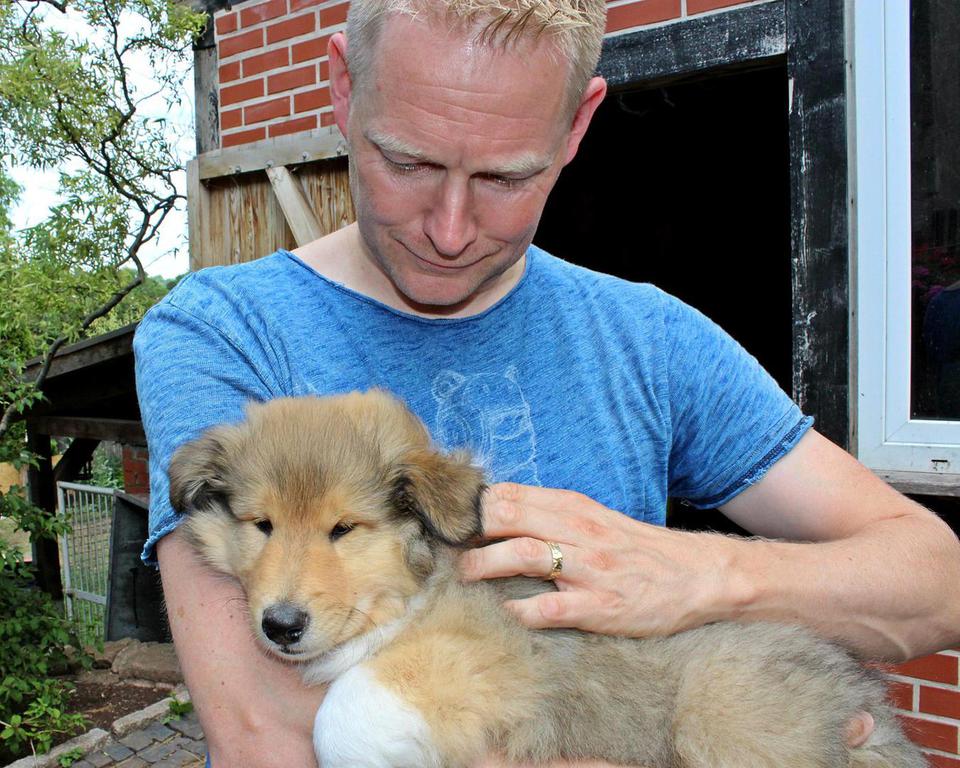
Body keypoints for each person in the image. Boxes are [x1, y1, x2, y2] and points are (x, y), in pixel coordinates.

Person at [133, 0, 960, 765]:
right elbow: (269, 735)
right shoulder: (221, 331)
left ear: (577, 124)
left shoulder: (648, 337)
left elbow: (935, 578)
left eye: (505, 177)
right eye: (407, 161)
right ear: (344, 88)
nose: (449, 229)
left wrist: (705, 576)